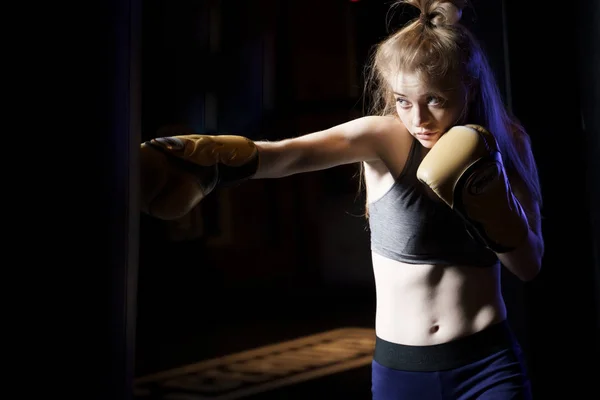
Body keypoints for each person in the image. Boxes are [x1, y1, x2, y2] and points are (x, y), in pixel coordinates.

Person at [139, 0, 544, 398]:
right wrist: (209, 160)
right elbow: (293, 154)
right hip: (403, 374)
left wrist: (495, 210)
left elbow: (529, 266)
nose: (418, 119)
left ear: (468, 87)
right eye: (404, 101)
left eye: (435, 99)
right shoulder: (385, 137)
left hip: (488, 367)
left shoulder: (509, 142)